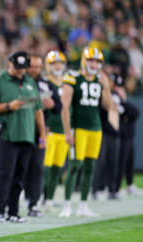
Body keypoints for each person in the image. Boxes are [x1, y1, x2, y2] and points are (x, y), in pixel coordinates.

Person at [0, 51, 46, 223]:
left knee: (20, 176)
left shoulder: (29, 81)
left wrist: (42, 134)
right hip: (7, 134)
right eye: (17, 68)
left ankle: (13, 212)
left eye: (23, 68)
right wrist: (7, 106)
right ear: (9, 63)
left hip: (26, 135)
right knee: (5, 174)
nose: (20, 71)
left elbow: (38, 109)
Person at [60, 47, 114, 217]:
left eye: (97, 61)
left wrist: (106, 87)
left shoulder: (100, 79)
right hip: (79, 128)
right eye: (91, 60)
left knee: (90, 167)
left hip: (95, 128)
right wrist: (68, 131)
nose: (94, 64)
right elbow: (64, 107)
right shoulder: (73, 77)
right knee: (75, 165)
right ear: (84, 60)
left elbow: (108, 106)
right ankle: (67, 205)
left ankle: (83, 206)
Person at [24, 55, 62, 217]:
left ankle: (34, 203)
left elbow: (59, 107)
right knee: (20, 167)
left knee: (38, 167)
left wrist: (53, 105)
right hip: (21, 130)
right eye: (32, 66)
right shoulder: (19, 81)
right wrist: (36, 101)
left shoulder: (46, 84)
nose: (35, 70)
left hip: (40, 132)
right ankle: (19, 198)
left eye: (38, 67)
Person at [42, 51, 69, 211]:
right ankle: (39, 197)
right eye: (54, 63)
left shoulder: (68, 83)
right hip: (49, 129)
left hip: (63, 130)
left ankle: (49, 199)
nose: (57, 66)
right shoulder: (45, 82)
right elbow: (44, 107)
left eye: (59, 63)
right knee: (45, 167)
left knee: (58, 168)